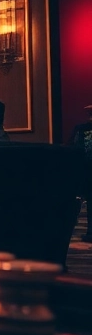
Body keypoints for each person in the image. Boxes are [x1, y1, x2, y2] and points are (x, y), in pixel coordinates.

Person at [71, 104, 92, 242]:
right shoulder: (81, 129)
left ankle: (90, 231)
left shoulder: (81, 129)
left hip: (86, 168)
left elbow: (74, 148)